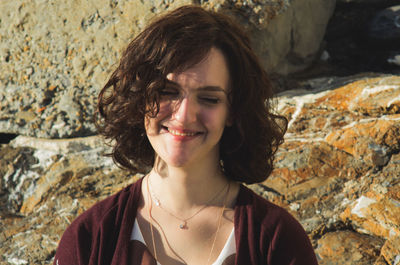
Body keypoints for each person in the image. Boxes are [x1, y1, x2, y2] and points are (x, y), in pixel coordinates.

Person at [53, 5, 318, 265]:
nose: (184, 115)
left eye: (209, 98)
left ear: (233, 111)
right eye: (167, 92)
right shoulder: (90, 239)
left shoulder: (278, 241)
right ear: (140, 97)